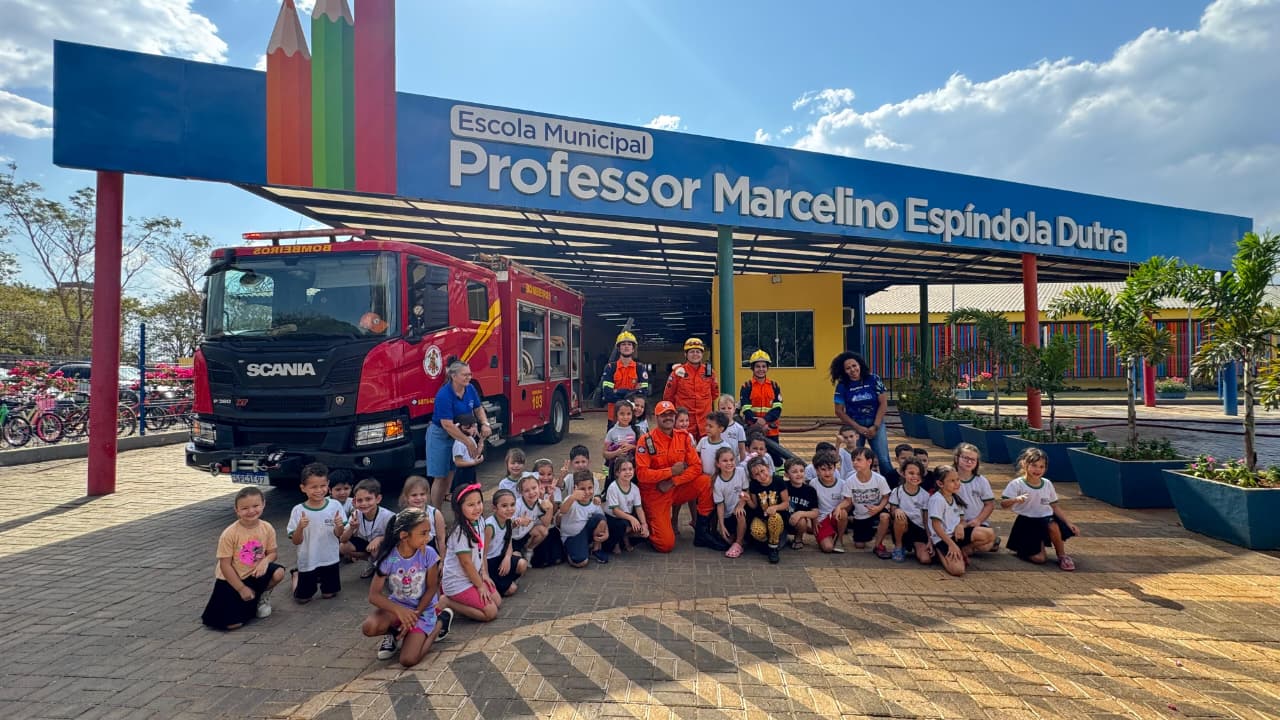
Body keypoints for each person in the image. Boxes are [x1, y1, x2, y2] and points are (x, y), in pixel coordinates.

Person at [634, 400, 729, 553]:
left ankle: (702, 533)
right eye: (663, 415)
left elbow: (696, 467)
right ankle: (644, 529)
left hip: (675, 487)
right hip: (655, 494)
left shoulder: (683, 437)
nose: (668, 417)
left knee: (706, 482)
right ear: (656, 417)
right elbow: (642, 474)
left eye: (670, 414)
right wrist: (671, 471)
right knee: (665, 545)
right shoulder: (646, 441)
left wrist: (673, 481)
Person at [361, 508, 452, 667]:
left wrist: (414, 615)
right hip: (398, 607)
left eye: (429, 532)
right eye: (423, 533)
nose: (428, 537)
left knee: (408, 660)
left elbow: (432, 588)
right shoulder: (388, 557)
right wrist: (400, 611)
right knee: (369, 627)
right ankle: (394, 633)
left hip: (422, 610)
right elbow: (374, 595)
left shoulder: (429, 554)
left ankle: (438, 625)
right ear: (404, 536)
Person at [201, 487, 286, 631]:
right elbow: (225, 565)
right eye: (245, 508)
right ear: (237, 510)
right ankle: (246, 598)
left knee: (278, 572)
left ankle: (261, 598)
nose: (251, 511)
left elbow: (272, 553)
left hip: (255, 572)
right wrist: (241, 588)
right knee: (233, 624)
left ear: (263, 504)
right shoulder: (229, 533)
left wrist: (265, 561)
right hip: (232, 577)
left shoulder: (267, 527)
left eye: (256, 506)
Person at [426, 361, 493, 515]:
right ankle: (436, 514)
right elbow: (447, 425)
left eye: (469, 374)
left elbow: (478, 408)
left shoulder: (470, 389)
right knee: (440, 475)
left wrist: (485, 423)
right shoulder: (444, 394)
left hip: (461, 432)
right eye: (465, 374)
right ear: (453, 376)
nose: (468, 377)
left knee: (451, 473)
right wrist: (468, 442)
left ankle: (456, 511)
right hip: (441, 435)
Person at [1002, 448, 1080, 570]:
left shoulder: (1047, 483)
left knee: (1052, 524)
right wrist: (1015, 499)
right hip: (1027, 522)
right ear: (1024, 464)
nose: (1037, 470)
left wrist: (1068, 523)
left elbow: (1054, 506)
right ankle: (1025, 548)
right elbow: (1003, 504)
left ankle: (1062, 555)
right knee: (1040, 559)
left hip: (1045, 519)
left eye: (1041, 467)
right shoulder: (1016, 484)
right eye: (1034, 465)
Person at [438, 484, 501, 622]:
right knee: (491, 612)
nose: (477, 508)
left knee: (497, 601)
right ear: (459, 508)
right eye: (471, 505)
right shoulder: (460, 532)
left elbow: (480, 551)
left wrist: (483, 574)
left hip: (471, 576)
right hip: (457, 582)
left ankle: (462, 601)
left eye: (479, 502)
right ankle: (447, 602)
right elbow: (466, 563)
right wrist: (479, 586)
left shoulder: (480, 521)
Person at [288, 463, 346, 603]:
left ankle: (322, 582)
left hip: (330, 558)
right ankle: (296, 576)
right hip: (308, 559)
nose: (319, 490)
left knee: (329, 594)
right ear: (303, 488)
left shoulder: (335, 506)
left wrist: (339, 526)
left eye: (322, 486)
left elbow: (339, 534)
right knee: (303, 599)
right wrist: (300, 527)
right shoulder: (298, 510)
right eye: (313, 487)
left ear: (328, 485)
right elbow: (296, 541)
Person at [830, 351, 892, 482]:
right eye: (848, 368)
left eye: (854, 365)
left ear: (860, 365)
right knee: (856, 460)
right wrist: (858, 428)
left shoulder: (874, 379)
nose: (852, 370)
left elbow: (883, 404)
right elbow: (839, 411)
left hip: (876, 424)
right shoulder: (842, 386)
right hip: (854, 426)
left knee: (883, 459)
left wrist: (875, 426)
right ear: (844, 371)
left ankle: (891, 488)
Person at [930, 464, 997, 577]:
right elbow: (936, 526)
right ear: (940, 484)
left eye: (957, 479)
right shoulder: (937, 500)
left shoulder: (955, 496)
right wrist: (951, 544)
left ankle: (963, 550)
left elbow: (962, 519)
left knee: (989, 534)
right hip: (943, 538)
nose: (957, 483)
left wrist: (960, 526)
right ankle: (940, 553)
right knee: (958, 570)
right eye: (952, 481)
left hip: (957, 534)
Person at [664, 337, 718, 439]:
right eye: (692, 352)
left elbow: (715, 394)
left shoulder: (709, 372)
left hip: (705, 423)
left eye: (698, 352)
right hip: (685, 424)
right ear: (685, 354)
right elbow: (668, 397)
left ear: (702, 354)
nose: (695, 354)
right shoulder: (677, 373)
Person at [340, 478, 395, 577]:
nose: (364, 504)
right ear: (355, 501)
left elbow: (397, 538)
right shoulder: (356, 514)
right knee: (343, 547)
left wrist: (379, 539)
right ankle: (373, 563)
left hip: (386, 547)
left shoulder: (388, 516)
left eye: (368, 499)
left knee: (376, 550)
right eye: (360, 500)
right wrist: (352, 528)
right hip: (369, 545)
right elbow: (342, 539)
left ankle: (388, 564)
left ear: (378, 499)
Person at [740, 350, 784, 464]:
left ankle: (776, 478)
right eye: (757, 366)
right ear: (753, 368)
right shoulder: (747, 386)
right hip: (753, 429)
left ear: (767, 368)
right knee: (753, 457)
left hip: (771, 429)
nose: (761, 369)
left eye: (764, 366)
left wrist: (765, 421)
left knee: (776, 459)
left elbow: (777, 408)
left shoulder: (774, 386)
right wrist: (757, 423)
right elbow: (745, 408)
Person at [847, 447, 893, 557]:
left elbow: (886, 497)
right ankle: (869, 532)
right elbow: (848, 500)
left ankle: (878, 545)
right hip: (860, 514)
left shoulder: (879, 479)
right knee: (859, 545)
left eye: (859, 460)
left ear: (869, 461)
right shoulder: (850, 480)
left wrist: (878, 508)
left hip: (877, 510)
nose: (855, 462)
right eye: (853, 460)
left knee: (885, 517)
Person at [954, 443, 1000, 551]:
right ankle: (970, 546)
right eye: (966, 458)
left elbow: (989, 505)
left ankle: (971, 546)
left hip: (976, 522)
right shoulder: (950, 478)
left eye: (973, 460)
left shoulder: (981, 481)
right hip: (956, 523)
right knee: (983, 543)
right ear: (957, 458)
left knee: (985, 547)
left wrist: (978, 520)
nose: (969, 462)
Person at [744, 456, 789, 563]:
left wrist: (775, 507)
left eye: (762, 471)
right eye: (757, 474)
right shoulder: (754, 485)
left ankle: (773, 548)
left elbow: (786, 503)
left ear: (768, 468)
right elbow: (754, 506)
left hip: (777, 519)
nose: (761, 476)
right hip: (761, 517)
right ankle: (765, 542)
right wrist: (748, 500)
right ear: (753, 477)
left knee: (774, 518)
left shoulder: (778, 481)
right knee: (757, 531)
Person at [560, 470, 611, 566]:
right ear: (575, 488)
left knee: (600, 518)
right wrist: (572, 497)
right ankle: (569, 551)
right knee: (581, 562)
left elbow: (602, 519)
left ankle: (596, 549)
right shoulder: (571, 499)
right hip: (572, 536)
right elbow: (562, 510)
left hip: (586, 533)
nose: (587, 492)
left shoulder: (594, 502)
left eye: (590, 488)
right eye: (582, 489)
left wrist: (606, 533)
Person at [601, 331, 651, 428]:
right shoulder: (610, 368)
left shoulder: (640, 368)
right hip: (614, 418)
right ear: (619, 348)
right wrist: (632, 392)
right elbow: (608, 395)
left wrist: (617, 391)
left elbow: (644, 393)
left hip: (635, 417)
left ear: (633, 349)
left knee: (637, 443)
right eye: (623, 344)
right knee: (613, 443)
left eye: (629, 344)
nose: (626, 347)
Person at [484, 489, 527, 596]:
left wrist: (507, 558)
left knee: (522, 564)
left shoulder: (508, 520)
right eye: (504, 506)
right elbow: (482, 554)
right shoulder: (490, 526)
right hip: (489, 562)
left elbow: (509, 543)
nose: (509, 509)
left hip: (501, 558)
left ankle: (504, 581)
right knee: (511, 589)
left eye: (512, 505)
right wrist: (485, 576)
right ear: (494, 508)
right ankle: (496, 585)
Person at [889, 459, 933, 564]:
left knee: (925, 560)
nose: (915, 476)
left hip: (919, 530)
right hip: (904, 527)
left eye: (918, 474)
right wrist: (897, 510)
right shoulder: (897, 491)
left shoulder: (925, 495)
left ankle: (915, 545)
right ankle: (899, 546)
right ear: (903, 474)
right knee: (900, 516)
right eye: (911, 473)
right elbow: (892, 511)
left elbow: (926, 520)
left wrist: (929, 539)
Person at [810, 449, 852, 554]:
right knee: (827, 548)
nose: (827, 472)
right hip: (821, 519)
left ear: (835, 468)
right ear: (817, 470)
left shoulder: (842, 483)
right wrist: (814, 520)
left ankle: (840, 539)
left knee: (843, 512)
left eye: (830, 469)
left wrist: (839, 507)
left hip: (836, 516)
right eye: (823, 469)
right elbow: (812, 504)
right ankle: (829, 536)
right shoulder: (813, 483)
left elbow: (848, 501)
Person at [604, 457, 649, 552]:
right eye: (624, 470)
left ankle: (624, 539)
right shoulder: (613, 487)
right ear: (617, 473)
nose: (628, 472)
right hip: (612, 518)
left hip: (626, 517)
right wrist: (632, 519)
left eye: (630, 469)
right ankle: (617, 542)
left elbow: (639, 508)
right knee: (623, 526)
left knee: (643, 533)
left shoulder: (635, 488)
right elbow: (615, 511)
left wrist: (644, 525)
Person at [711, 446, 749, 558]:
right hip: (728, 515)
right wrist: (721, 525)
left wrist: (741, 505)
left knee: (740, 514)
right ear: (718, 464)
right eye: (725, 460)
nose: (729, 463)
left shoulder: (741, 472)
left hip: (741, 509)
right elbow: (720, 505)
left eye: (731, 460)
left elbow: (746, 490)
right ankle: (737, 539)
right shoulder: (717, 482)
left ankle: (739, 544)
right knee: (727, 540)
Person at [399, 475, 447, 559]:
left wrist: (443, 560)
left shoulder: (435, 514)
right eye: (414, 495)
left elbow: (441, 539)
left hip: (431, 554)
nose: (419, 498)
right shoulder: (402, 517)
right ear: (406, 497)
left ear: (427, 495)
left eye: (422, 494)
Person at [511, 474, 554, 560]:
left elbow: (546, 523)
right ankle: (517, 553)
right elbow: (507, 524)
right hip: (512, 539)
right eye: (526, 490)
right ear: (521, 493)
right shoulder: (517, 504)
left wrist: (550, 508)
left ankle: (529, 549)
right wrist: (519, 521)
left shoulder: (540, 503)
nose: (531, 492)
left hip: (525, 535)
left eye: (534, 488)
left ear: (539, 487)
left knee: (543, 531)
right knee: (517, 565)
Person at [602, 399, 641, 485]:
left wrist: (632, 447)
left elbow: (642, 449)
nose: (625, 417)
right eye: (622, 414)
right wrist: (616, 452)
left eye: (628, 414)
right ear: (616, 415)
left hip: (632, 471)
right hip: (616, 472)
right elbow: (604, 453)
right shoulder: (612, 432)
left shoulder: (635, 430)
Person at [785, 458, 820, 550]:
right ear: (787, 475)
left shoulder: (810, 490)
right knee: (779, 544)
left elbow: (815, 512)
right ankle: (782, 537)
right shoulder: (783, 486)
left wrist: (801, 513)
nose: (799, 474)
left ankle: (798, 538)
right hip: (783, 520)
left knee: (802, 521)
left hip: (798, 522)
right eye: (794, 471)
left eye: (801, 471)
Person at [450, 411, 484, 496]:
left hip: (471, 470)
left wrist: (481, 443)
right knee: (463, 494)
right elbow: (458, 462)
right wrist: (474, 462)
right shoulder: (459, 443)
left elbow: (475, 454)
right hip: (462, 473)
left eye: (473, 426)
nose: (472, 429)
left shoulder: (471, 439)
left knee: (472, 492)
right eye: (468, 427)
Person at [717, 394, 748, 460]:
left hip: (733, 462)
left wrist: (743, 465)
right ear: (718, 409)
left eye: (729, 408)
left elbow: (742, 449)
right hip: (718, 462)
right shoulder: (715, 427)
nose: (726, 410)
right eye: (723, 408)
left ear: (734, 409)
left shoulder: (739, 428)